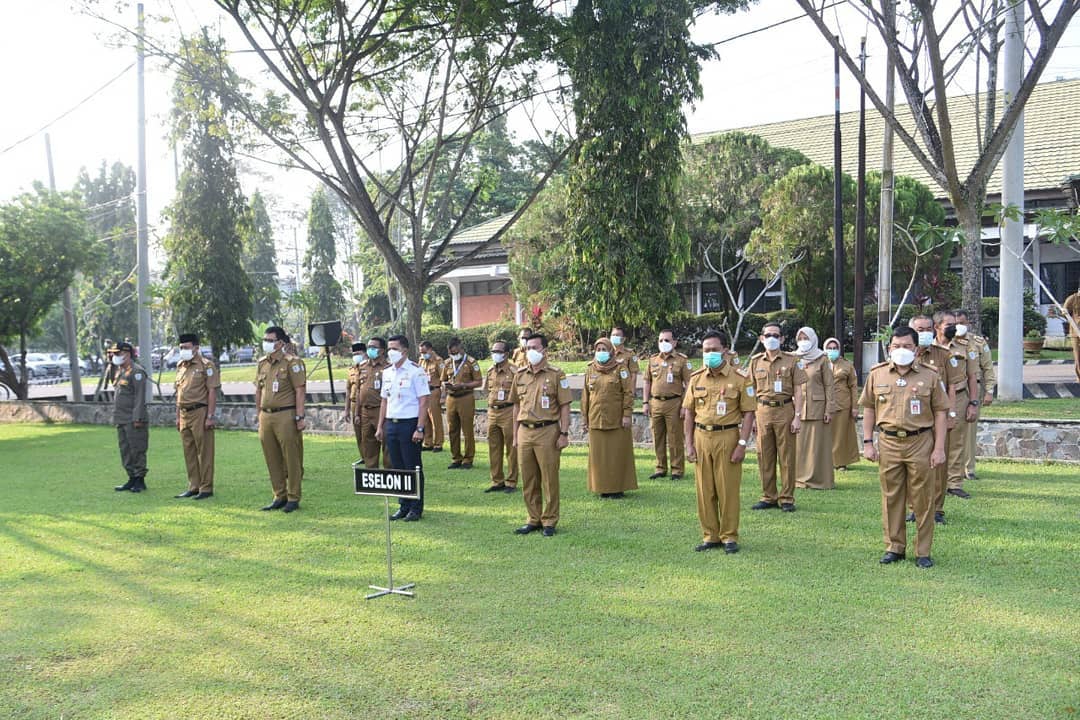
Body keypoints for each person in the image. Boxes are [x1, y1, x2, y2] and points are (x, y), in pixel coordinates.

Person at [860, 326, 949, 568]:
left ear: (916, 349)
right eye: (897, 346)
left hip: (920, 442)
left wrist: (939, 448)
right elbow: (868, 408)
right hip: (888, 442)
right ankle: (894, 547)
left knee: (923, 498)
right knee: (891, 496)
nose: (901, 350)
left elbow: (941, 413)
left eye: (907, 346)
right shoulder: (877, 374)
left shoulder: (930, 375)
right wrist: (867, 442)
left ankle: (923, 551)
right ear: (889, 348)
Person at [683, 330, 756, 553]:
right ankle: (710, 535)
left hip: (727, 437)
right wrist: (689, 444)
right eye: (706, 350)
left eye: (714, 349)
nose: (710, 354)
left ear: (725, 350)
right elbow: (688, 413)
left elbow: (749, 414)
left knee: (727, 490)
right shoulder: (696, 378)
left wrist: (742, 444)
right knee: (704, 490)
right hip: (701, 436)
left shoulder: (740, 378)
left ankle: (729, 536)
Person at [509, 333, 572, 536]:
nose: (531, 352)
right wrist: (515, 435)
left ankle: (549, 520)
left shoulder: (556, 374)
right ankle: (533, 518)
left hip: (548, 431)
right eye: (528, 348)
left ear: (544, 350)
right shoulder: (520, 375)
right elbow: (516, 406)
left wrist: (564, 433)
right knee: (528, 478)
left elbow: (565, 406)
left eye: (535, 347)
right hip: (525, 431)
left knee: (549, 478)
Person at [908, 315, 964, 525]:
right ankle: (915, 508)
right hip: (914, 419)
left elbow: (952, 387)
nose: (924, 333)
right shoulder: (904, 355)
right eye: (919, 329)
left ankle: (937, 509)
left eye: (927, 329)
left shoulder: (943, 355)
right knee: (915, 466)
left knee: (938, 465)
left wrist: (951, 414)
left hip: (938, 418)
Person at [747, 323, 806, 511]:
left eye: (775, 335)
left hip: (785, 410)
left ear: (781, 339)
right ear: (761, 338)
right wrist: (751, 417)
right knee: (764, 455)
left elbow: (799, 390)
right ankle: (768, 496)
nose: (771, 338)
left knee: (787, 456)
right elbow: (750, 389)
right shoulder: (755, 361)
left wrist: (798, 416)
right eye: (767, 335)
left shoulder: (792, 360)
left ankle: (787, 498)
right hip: (762, 411)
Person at [376, 335, 430, 522]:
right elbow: (384, 401)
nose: (391, 352)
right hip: (392, 423)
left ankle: (416, 508)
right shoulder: (387, 372)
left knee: (412, 467)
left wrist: (420, 428)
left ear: (405, 351)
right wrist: (380, 426)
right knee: (397, 467)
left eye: (395, 348)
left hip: (409, 424)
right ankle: (403, 505)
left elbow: (423, 402)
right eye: (389, 348)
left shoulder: (416, 371)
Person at [255, 326, 306, 513]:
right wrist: (259, 414)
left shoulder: (292, 362)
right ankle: (279, 495)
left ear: (280, 343)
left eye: (270, 340)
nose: (266, 343)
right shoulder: (262, 363)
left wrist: (300, 416)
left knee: (291, 457)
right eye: (265, 340)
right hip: (266, 415)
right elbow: (258, 390)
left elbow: (300, 390)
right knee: (271, 457)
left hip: (286, 414)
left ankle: (293, 497)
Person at [581, 337, 638, 499]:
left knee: (616, 455)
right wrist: (584, 419)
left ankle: (617, 488)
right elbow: (585, 396)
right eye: (598, 350)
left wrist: (627, 415)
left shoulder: (621, 369)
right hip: (596, 419)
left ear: (611, 351)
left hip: (617, 420)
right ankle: (602, 488)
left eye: (604, 350)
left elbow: (628, 393)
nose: (601, 353)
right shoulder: (590, 369)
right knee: (599, 457)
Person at [938, 310, 979, 501]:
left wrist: (973, 403)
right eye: (949, 325)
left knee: (956, 441)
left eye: (954, 324)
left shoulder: (965, 346)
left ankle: (954, 484)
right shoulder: (927, 348)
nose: (953, 328)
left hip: (960, 397)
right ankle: (935, 480)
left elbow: (972, 377)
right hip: (934, 400)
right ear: (937, 327)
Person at [173, 333, 220, 500]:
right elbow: (179, 393)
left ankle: (206, 487)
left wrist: (210, 416)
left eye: (186, 347)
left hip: (200, 411)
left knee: (204, 451)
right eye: (181, 348)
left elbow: (212, 391)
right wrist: (178, 416)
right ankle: (194, 486)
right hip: (184, 413)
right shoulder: (181, 366)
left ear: (196, 348)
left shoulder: (206, 365)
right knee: (189, 451)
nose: (183, 350)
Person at [643, 328, 692, 480]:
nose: (663, 343)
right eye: (660, 340)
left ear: (674, 342)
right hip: (656, 402)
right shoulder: (653, 360)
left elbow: (689, 384)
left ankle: (677, 470)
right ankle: (660, 468)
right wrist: (645, 402)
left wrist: (685, 406)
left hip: (674, 403)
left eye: (667, 340)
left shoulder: (682, 360)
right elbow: (647, 382)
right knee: (657, 437)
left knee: (675, 438)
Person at [954, 309, 996, 480]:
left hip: (973, 389)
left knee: (970, 430)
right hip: (952, 390)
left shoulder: (978, 342)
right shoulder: (945, 342)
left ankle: (968, 468)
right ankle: (952, 467)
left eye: (962, 323)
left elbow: (988, 368)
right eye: (955, 323)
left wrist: (989, 391)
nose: (959, 326)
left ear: (968, 324)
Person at [793, 327, 837, 490]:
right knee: (799, 446)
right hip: (797, 408)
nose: (803, 342)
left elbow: (829, 385)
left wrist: (829, 409)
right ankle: (798, 478)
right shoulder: (793, 358)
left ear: (813, 339)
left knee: (817, 446)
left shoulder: (822, 358)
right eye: (800, 338)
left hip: (817, 408)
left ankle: (819, 479)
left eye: (806, 338)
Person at [110, 341, 150, 493]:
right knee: (125, 450)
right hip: (121, 418)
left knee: (137, 449)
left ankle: (140, 479)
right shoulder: (121, 371)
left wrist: (138, 418)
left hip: (133, 418)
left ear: (126, 354)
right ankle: (131, 477)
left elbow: (140, 397)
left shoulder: (137, 371)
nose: (114, 356)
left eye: (117, 353)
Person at [347, 337, 389, 468]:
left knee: (386, 443)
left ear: (382, 350)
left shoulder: (388, 368)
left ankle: (390, 472)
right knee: (368, 444)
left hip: (381, 410)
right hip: (365, 411)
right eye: (369, 347)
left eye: (374, 347)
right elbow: (359, 391)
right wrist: (357, 413)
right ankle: (371, 472)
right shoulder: (362, 367)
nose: (370, 349)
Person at [483, 340, 519, 493]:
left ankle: (511, 481)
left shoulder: (514, 371)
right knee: (494, 448)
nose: (495, 354)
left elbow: (519, 394)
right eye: (493, 351)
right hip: (493, 412)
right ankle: (497, 481)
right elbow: (486, 390)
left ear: (506, 354)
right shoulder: (490, 370)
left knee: (511, 448)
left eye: (498, 351)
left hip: (508, 411)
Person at [442, 337, 482, 470]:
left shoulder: (471, 362)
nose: (453, 355)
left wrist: (463, 385)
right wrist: (446, 386)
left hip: (465, 397)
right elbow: (443, 380)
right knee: (452, 429)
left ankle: (468, 459)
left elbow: (479, 382)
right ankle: (456, 458)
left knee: (467, 429)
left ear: (460, 348)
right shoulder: (447, 363)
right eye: (451, 353)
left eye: (455, 352)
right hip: (451, 398)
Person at [823, 337, 859, 470]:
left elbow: (853, 386)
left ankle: (840, 462)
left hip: (843, 403)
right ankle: (825, 461)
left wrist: (855, 407)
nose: (832, 350)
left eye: (835, 348)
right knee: (825, 435)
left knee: (840, 434)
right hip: (824, 404)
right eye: (829, 348)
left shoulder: (847, 365)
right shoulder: (820, 363)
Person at [417, 340, 446, 452]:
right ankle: (428, 442)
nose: (422, 354)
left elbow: (444, 379)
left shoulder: (438, 361)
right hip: (424, 393)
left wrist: (443, 395)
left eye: (424, 352)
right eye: (421, 352)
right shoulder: (421, 361)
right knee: (425, 419)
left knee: (435, 419)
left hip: (434, 391)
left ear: (430, 349)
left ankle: (438, 443)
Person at [1065, 287, 1080, 383]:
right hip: (1075, 331)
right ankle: (1079, 377)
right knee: (1077, 356)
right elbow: (1064, 309)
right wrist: (1065, 312)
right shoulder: (1073, 298)